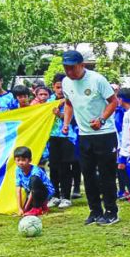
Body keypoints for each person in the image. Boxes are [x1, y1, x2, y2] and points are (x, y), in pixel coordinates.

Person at [60, 50, 120, 226]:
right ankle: (95, 211)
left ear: (82, 65)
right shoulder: (65, 82)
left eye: (72, 68)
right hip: (84, 135)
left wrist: (102, 119)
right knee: (88, 174)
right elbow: (69, 103)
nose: (69, 72)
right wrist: (66, 122)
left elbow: (113, 102)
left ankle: (111, 211)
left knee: (106, 175)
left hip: (104, 134)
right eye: (66, 68)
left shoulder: (97, 80)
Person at [47, 77, 76, 210]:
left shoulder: (71, 100)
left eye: (62, 87)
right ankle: (55, 195)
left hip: (67, 137)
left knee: (65, 167)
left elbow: (73, 117)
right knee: (53, 167)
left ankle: (66, 197)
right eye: (58, 87)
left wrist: (60, 114)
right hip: (52, 137)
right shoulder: (49, 101)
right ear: (53, 87)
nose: (60, 90)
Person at [14, 146, 54, 217]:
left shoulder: (35, 171)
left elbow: (33, 189)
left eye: (23, 160)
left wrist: (25, 209)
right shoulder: (18, 170)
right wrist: (20, 208)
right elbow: (18, 189)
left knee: (34, 179)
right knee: (27, 208)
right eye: (18, 160)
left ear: (30, 160)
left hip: (44, 192)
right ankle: (42, 207)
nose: (20, 162)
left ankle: (37, 207)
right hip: (32, 192)